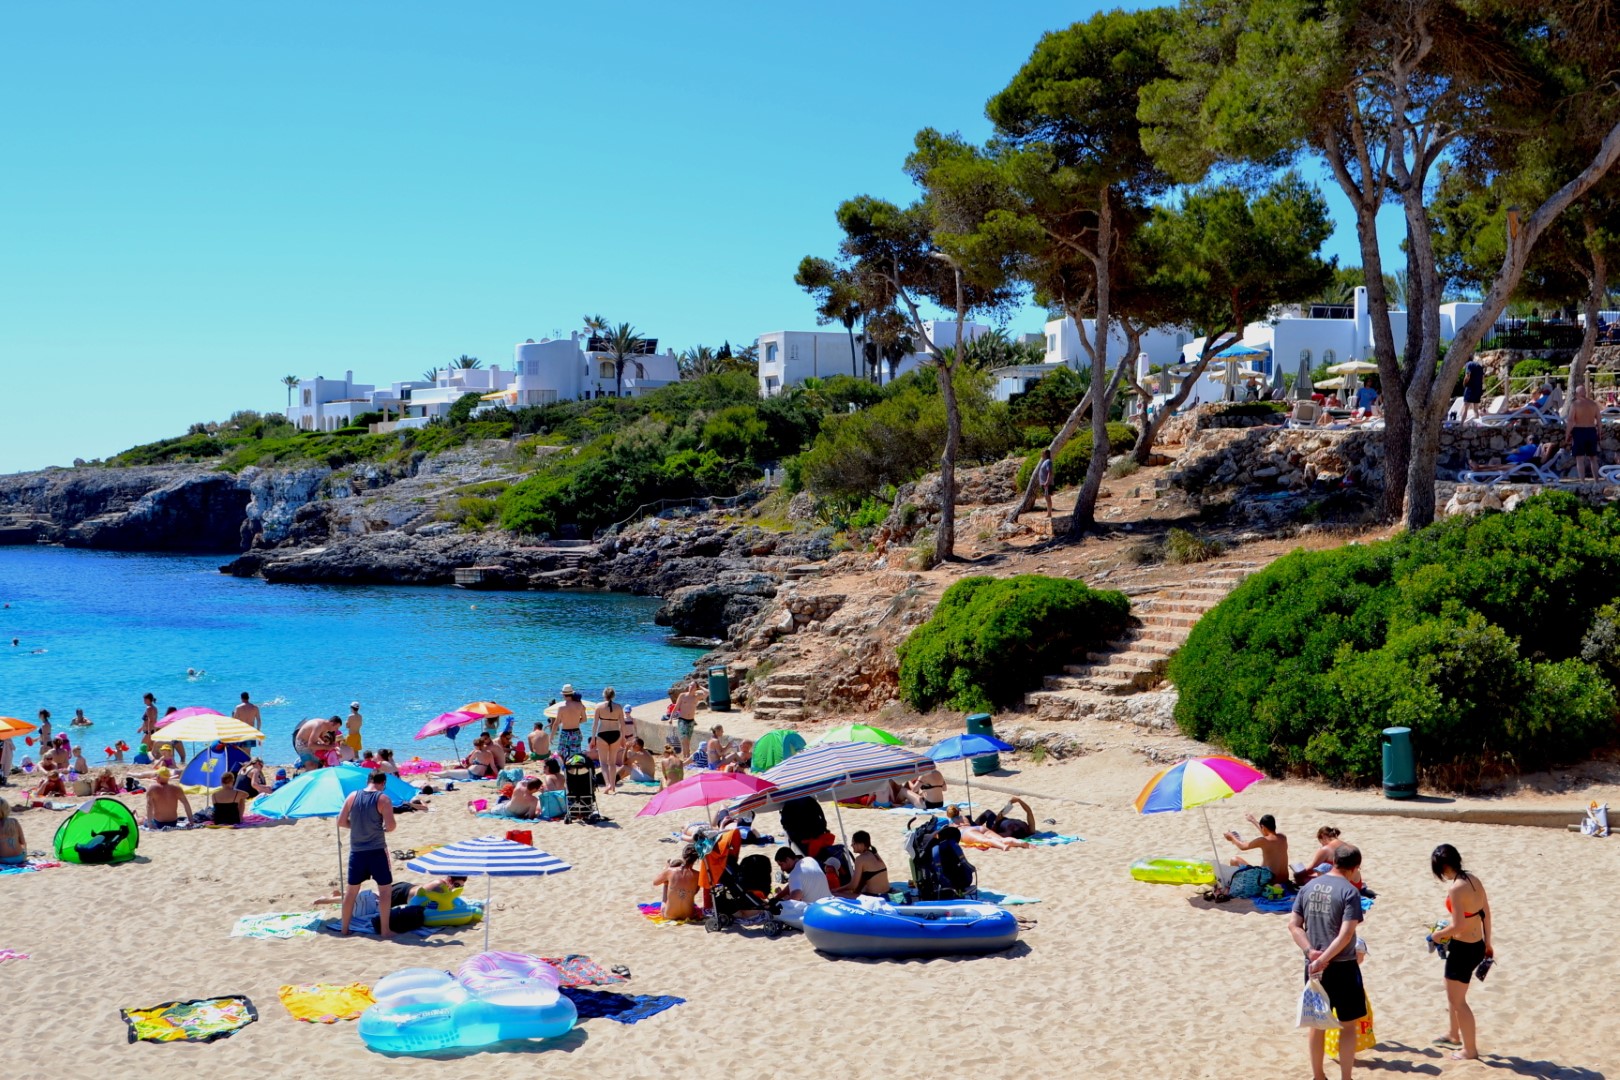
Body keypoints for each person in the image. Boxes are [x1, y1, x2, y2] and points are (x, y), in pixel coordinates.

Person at [1289, 844, 1367, 1080]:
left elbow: (1293, 925)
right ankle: (1345, 1077)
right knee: (1348, 1024)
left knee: (1316, 1023)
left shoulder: (1309, 886)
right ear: (1355, 868)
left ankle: (1318, 1076)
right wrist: (1324, 958)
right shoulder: (1349, 892)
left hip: (1313, 967)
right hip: (1342, 965)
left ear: (1333, 861)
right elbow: (1345, 935)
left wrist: (1310, 951)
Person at [1429, 843, 1493, 1061]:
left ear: (1445, 867)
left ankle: (1470, 1050)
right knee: (1451, 989)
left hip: (1463, 948)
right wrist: (1488, 942)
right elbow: (1486, 912)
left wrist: (1438, 935)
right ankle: (1453, 1034)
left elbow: (1458, 926)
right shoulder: (1473, 879)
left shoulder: (1456, 888)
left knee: (1459, 1001)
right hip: (1477, 945)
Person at [337, 771, 397, 937]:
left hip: (357, 852)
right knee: (385, 891)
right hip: (377, 850)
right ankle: (385, 930)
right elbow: (391, 826)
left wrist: (357, 827)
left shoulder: (352, 796)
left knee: (351, 892)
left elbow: (341, 822)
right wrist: (380, 828)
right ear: (383, 783)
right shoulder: (383, 799)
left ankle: (344, 928)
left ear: (368, 781)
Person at [1224, 812, 1290, 893]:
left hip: (1268, 881)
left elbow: (1243, 847)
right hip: (1284, 880)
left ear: (1263, 827)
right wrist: (1253, 821)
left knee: (1234, 860)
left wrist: (1232, 837)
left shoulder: (1263, 841)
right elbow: (1267, 834)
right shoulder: (1283, 837)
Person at [771, 846, 832, 929]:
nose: (782, 869)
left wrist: (783, 899)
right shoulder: (810, 860)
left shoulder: (794, 874)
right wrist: (779, 896)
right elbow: (795, 884)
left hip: (815, 912)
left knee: (779, 909)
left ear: (788, 859)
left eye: (781, 864)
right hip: (829, 903)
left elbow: (794, 900)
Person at [944, 805, 1032, 849]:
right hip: (979, 828)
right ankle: (1020, 843)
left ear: (948, 815)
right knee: (1001, 839)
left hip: (966, 832)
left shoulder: (950, 823)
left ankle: (1002, 847)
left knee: (986, 840)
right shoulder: (964, 817)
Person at [653, 844, 701, 921]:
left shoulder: (670, 871)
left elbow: (655, 882)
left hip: (669, 914)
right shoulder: (698, 875)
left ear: (683, 855)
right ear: (696, 859)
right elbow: (695, 892)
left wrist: (666, 869)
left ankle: (666, 904)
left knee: (666, 882)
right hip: (688, 915)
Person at [593, 688, 626, 795]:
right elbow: (622, 724)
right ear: (613, 695)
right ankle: (613, 786)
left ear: (604, 695)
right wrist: (623, 738)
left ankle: (608, 784)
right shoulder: (619, 707)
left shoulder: (598, 706)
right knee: (612, 763)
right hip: (616, 734)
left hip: (602, 734)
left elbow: (595, 724)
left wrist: (593, 738)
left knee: (603, 762)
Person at [1567, 384, 1601, 481]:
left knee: (1580, 459)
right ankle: (1597, 481)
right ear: (1585, 393)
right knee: (1593, 458)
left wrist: (1567, 434)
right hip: (1591, 430)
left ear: (1577, 393)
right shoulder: (1593, 404)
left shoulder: (1575, 404)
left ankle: (1582, 482)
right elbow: (1599, 420)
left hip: (1579, 431)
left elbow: (1570, 421)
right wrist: (1600, 433)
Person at [847, 831, 890, 898]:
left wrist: (836, 890)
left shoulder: (860, 859)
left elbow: (853, 886)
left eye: (853, 843)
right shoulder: (874, 854)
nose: (851, 845)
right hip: (887, 893)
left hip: (875, 896)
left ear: (861, 844)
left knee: (837, 895)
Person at [551, 684, 587, 762]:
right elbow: (584, 719)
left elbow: (556, 723)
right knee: (576, 756)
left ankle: (564, 769)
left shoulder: (561, 707)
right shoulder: (580, 705)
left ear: (563, 695)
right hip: (576, 732)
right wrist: (576, 721)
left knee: (562, 754)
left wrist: (552, 736)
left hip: (565, 733)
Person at [675, 680, 703, 757]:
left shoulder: (696, 697)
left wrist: (700, 687)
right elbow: (676, 706)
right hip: (682, 720)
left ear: (696, 688)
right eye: (690, 685)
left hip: (691, 721)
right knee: (684, 740)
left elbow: (708, 692)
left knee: (688, 740)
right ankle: (686, 756)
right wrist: (671, 717)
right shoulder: (682, 695)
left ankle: (687, 755)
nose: (691, 687)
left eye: (693, 686)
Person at [0, 800, 25, 866]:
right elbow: (23, 842)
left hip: (3, 860)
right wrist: (24, 857)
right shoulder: (14, 822)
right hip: (19, 858)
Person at [1461, 356, 1485, 421]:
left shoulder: (1469, 364)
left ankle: (1461, 425)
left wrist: (1464, 383)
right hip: (1478, 388)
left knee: (1465, 408)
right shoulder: (1479, 366)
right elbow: (1482, 379)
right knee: (1476, 409)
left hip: (1470, 388)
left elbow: (1468, 375)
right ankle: (1476, 425)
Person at [1034, 447, 1055, 516]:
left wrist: (1047, 482)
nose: (1041, 455)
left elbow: (1050, 472)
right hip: (1044, 483)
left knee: (1048, 498)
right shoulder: (1045, 461)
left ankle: (1049, 513)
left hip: (1047, 483)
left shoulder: (1048, 461)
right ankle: (1049, 513)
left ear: (1045, 454)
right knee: (1046, 497)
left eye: (1042, 453)